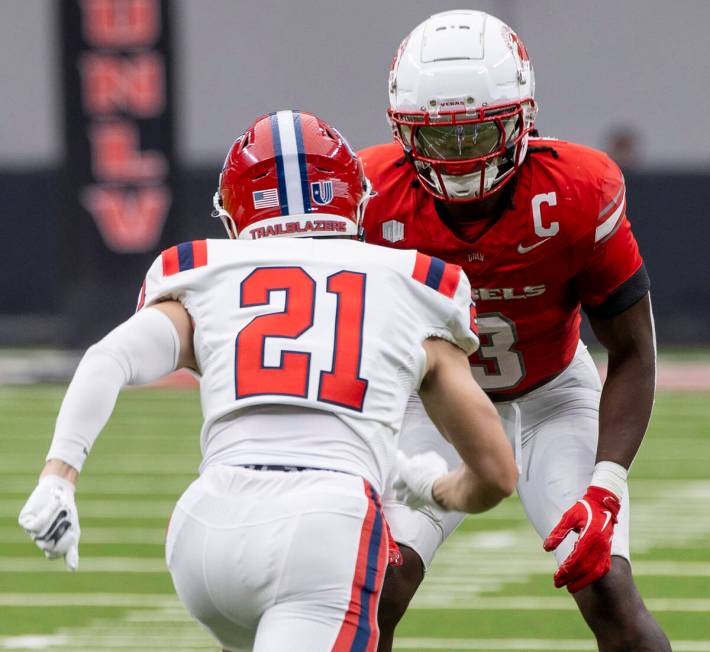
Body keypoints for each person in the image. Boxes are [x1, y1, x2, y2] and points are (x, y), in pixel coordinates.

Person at [17, 110, 517, 652]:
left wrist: (58, 478)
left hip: (203, 532)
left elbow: (108, 357)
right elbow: (495, 473)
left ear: (235, 214)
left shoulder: (203, 272)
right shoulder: (416, 283)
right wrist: (432, 488)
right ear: (354, 199)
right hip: (326, 526)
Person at [358, 10, 671, 652]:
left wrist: (606, 487)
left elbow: (634, 352)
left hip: (554, 398)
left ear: (524, 117)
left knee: (606, 584)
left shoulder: (579, 191)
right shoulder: (370, 196)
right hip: (435, 409)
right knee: (373, 590)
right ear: (403, 132)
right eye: (440, 139)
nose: (461, 158)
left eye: (479, 133)